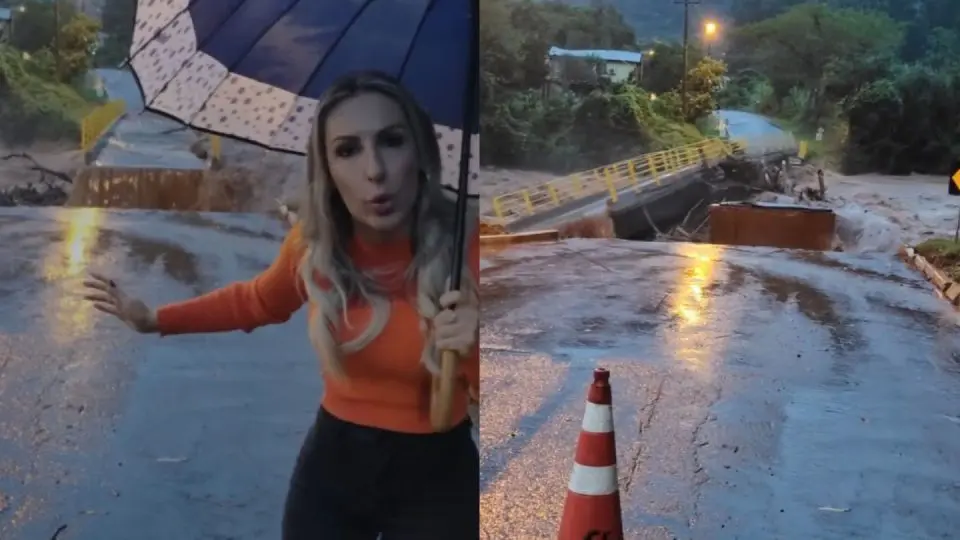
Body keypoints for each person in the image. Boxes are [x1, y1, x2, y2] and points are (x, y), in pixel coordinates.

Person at [82, 71, 480, 540]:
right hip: (333, 467)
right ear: (326, 169)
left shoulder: (469, 249)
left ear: (421, 153)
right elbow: (255, 302)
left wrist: (476, 348)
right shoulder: (315, 246)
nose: (374, 170)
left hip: (437, 478)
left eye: (392, 141)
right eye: (347, 150)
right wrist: (154, 319)